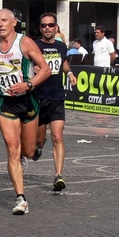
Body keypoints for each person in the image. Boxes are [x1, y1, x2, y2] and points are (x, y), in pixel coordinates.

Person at [0, 8, 51, 215]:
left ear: (14, 22)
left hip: (28, 101)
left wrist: (29, 85)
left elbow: (45, 69)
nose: (0, 24)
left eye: (4, 20)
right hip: (5, 104)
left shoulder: (24, 43)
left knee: (28, 151)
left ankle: (36, 147)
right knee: (12, 150)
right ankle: (21, 199)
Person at [32, 12, 77, 192]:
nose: (47, 28)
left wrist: (70, 72)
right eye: (44, 25)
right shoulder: (34, 45)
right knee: (40, 139)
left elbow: (63, 62)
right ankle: (37, 147)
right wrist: (33, 69)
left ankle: (58, 175)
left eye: (51, 25)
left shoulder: (61, 46)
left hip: (57, 97)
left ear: (56, 27)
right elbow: (24, 64)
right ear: (40, 28)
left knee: (57, 136)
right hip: (39, 97)